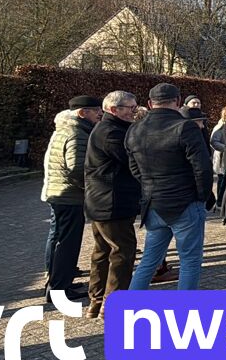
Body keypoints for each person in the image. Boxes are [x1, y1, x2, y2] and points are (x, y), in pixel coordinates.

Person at [125, 83, 214, 291]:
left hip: (154, 203)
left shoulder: (134, 129)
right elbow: (202, 167)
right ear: (179, 101)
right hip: (185, 203)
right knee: (190, 261)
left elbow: (134, 168)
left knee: (149, 261)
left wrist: (150, 188)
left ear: (150, 103)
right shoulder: (186, 127)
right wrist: (201, 196)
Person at [83, 90, 141, 318]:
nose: (134, 112)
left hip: (101, 201)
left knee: (102, 250)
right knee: (123, 252)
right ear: (114, 109)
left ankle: (96, 301)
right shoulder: (111, 133)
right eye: (130, 108)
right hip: (112, 203)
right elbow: (132, 161)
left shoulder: (108, 128)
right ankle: (112, 302)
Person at [42, 95, 101, 304]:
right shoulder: (77, 133)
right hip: (69, 196)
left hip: (58, 192)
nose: (99, 114)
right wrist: (90, 188)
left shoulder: (63, 129)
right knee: (67, 243)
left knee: (57, 238)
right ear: (82, 113)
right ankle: (59, 288)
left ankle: (56, 281)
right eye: (96, 110)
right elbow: (77, 168)